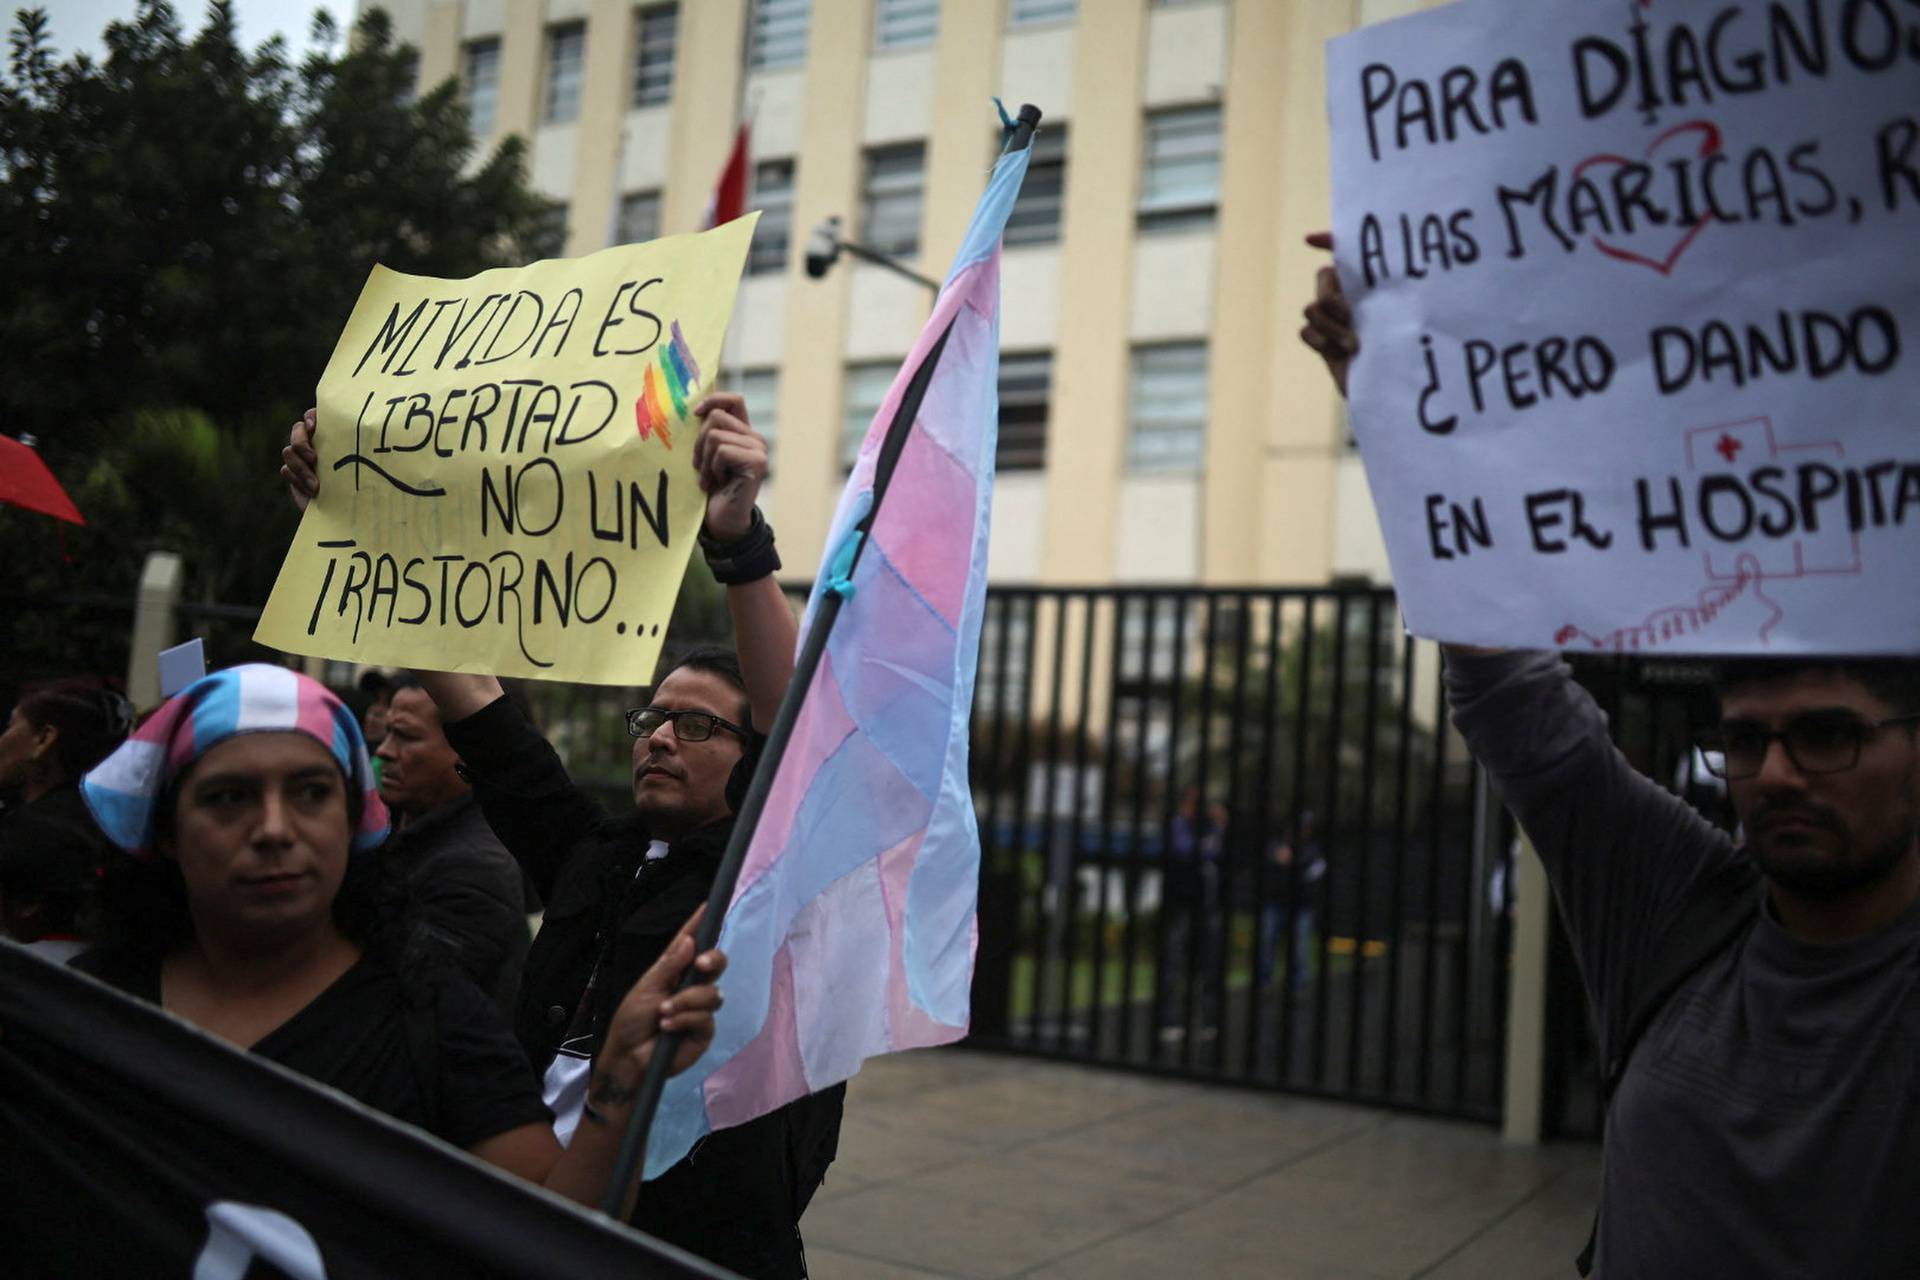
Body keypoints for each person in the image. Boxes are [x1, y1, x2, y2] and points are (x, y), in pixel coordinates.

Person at [1303, 238, 1920, 1276]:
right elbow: (1513, 696)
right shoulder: (1680, 904)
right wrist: (1394, 403)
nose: (1774, 773)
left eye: (1827, 734)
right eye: (1744, 738)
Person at [282, 393, 844, 1279]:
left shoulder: (773, 884)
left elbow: (798, 737)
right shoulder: (592, 853)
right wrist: (353, 513)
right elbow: (477, 706)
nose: (660, 736)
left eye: (696, 727)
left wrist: (737, 541)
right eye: (653, 717)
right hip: (527, 1213)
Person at [71, 662, 723, 1216]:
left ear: (353, 819)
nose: (273, 829)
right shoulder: (78, 1006)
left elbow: (553, 1227)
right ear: (165, 831)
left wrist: (618, 1086)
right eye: (228, 797)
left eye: (310, 793)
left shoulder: (434, 1022)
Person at [374, 676, 529, 1014]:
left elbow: (411, 1006)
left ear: (468, 753)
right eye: (387, 733)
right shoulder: (386, 828)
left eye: (406, 736)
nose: (383, 750)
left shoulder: (473, 870)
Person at [1256, 811, 1326, 991]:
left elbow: (1311, 868)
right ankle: (1264, 981)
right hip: (1275, 902)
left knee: (1300, 948)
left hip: (1300, 905)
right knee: (1267, 942)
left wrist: (1292, 860)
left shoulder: (1313, 849)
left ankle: (1299, 985)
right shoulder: (1276, 844)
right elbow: (1272, 857)